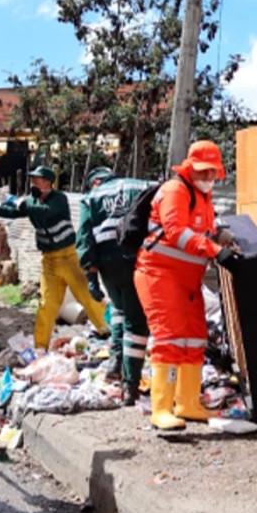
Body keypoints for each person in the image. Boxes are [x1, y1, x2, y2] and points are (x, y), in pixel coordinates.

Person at [135, 141, 241, 430]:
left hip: (186, 280)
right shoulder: (175, 190)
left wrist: (222, 235)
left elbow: (203, 229)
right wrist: (215, 250)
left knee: (194, 338)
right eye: (203, 171)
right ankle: (161, 408)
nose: (208, 178)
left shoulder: (201, 197)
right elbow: (176, 232)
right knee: (169, 338)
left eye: (213, 173)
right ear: (190, 167)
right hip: (159, 275)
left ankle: (188, 403)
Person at [0, 166, 109, 349]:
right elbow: (12, 212)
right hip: (49, 260)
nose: (33, 182)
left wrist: (20, 202)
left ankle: (107, 332)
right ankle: (41, 347)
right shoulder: (32, 201)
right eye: (32, 179)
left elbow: (44, 211)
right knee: (47, 305)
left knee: (86, 296)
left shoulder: (59, 199)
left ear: (48, 182)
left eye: (37, 179)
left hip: (69, 256)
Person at [77, 166, 154, 405]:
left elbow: (84, 237)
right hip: (135, 257)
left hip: (108, 262)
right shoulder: (139, 185)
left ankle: (115, 363)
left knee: (119, 312)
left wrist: (91, 277)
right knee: (136, 322)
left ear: (95, 181)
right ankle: (131, 385)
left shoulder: (90, 198)